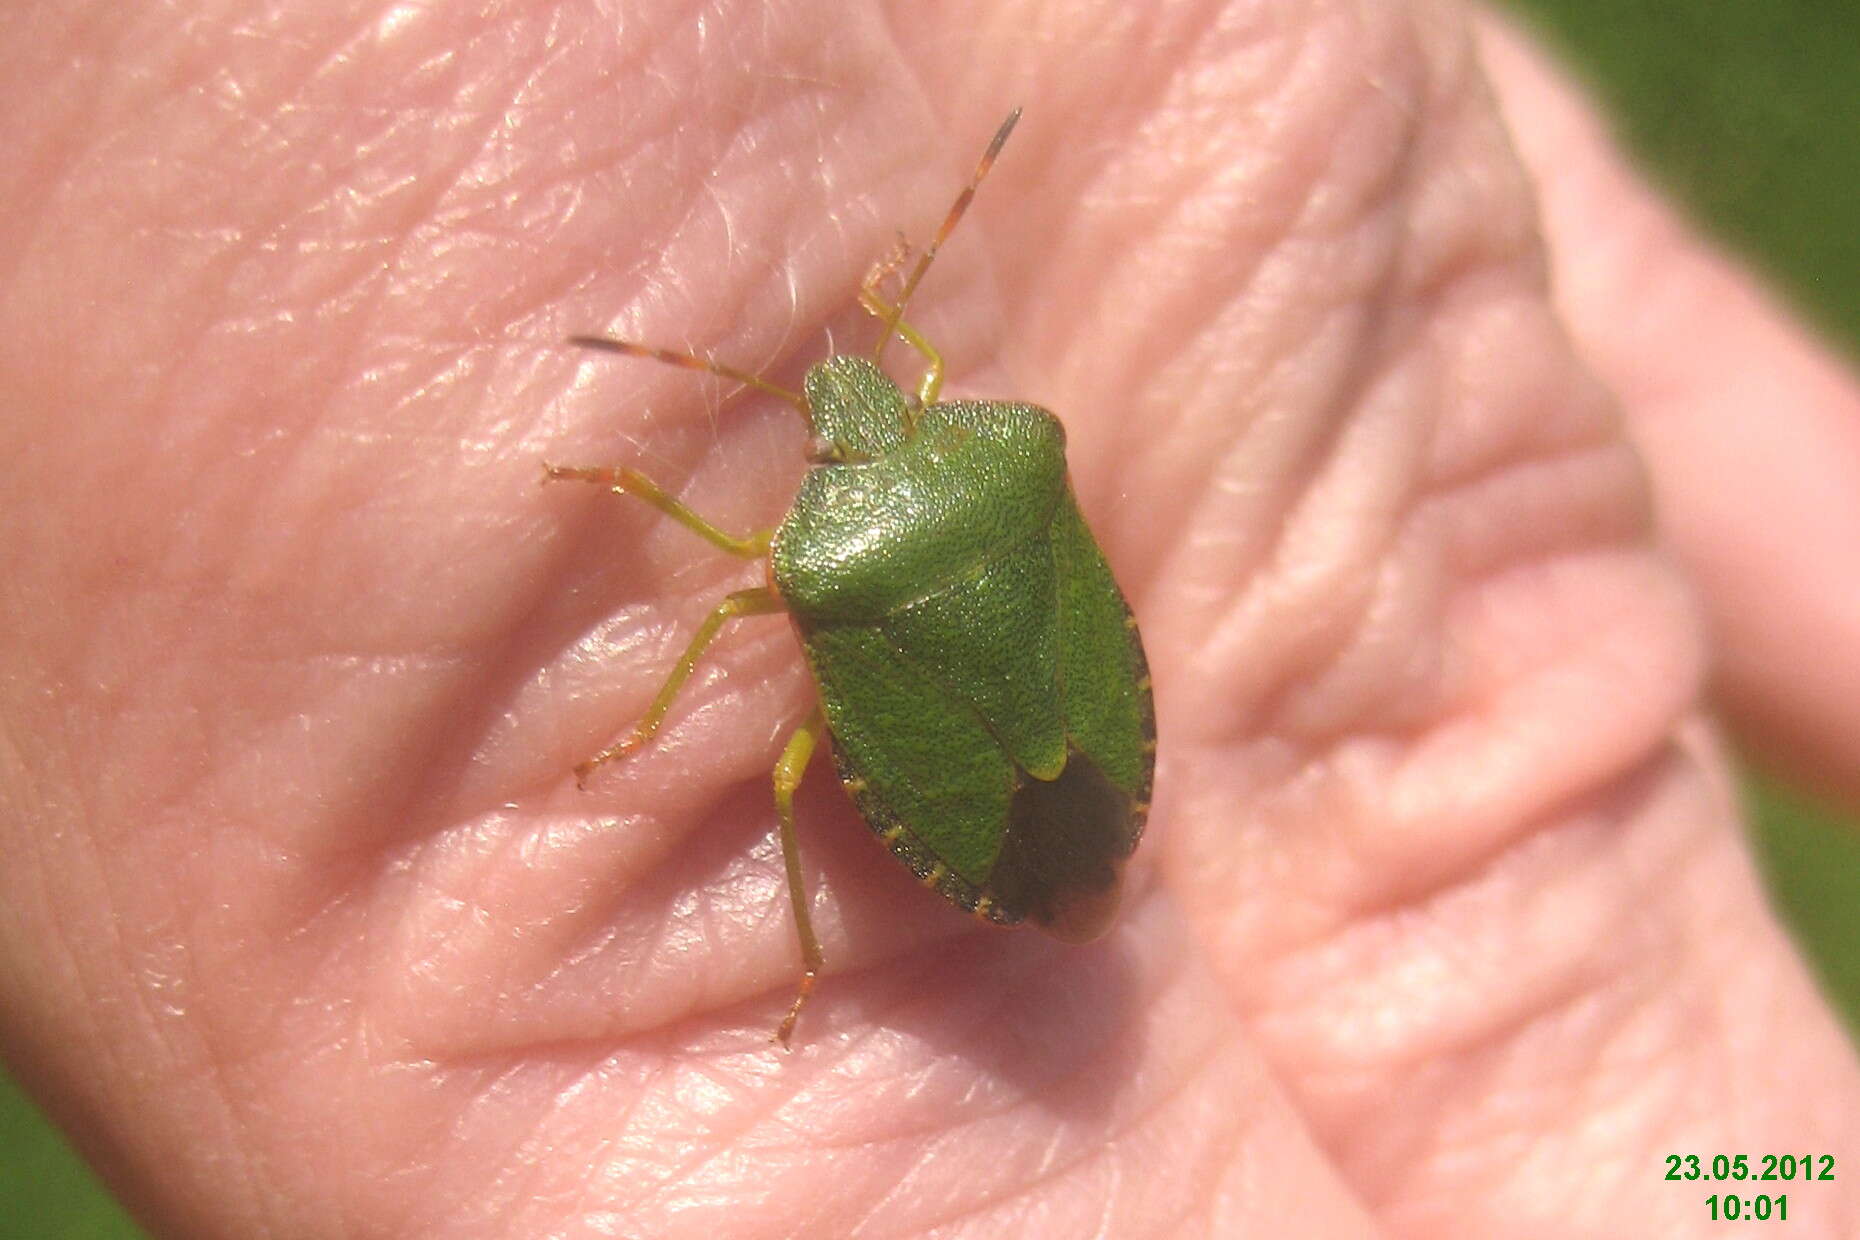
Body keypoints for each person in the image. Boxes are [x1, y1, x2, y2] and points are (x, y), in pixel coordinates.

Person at [0, 3, 1854, 1235]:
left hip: (998, 731)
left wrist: (635, 682)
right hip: (1053, 725)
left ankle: (814, 959)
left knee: (793, 774)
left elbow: (689, 536)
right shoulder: (955, 478)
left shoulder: (809, 556)